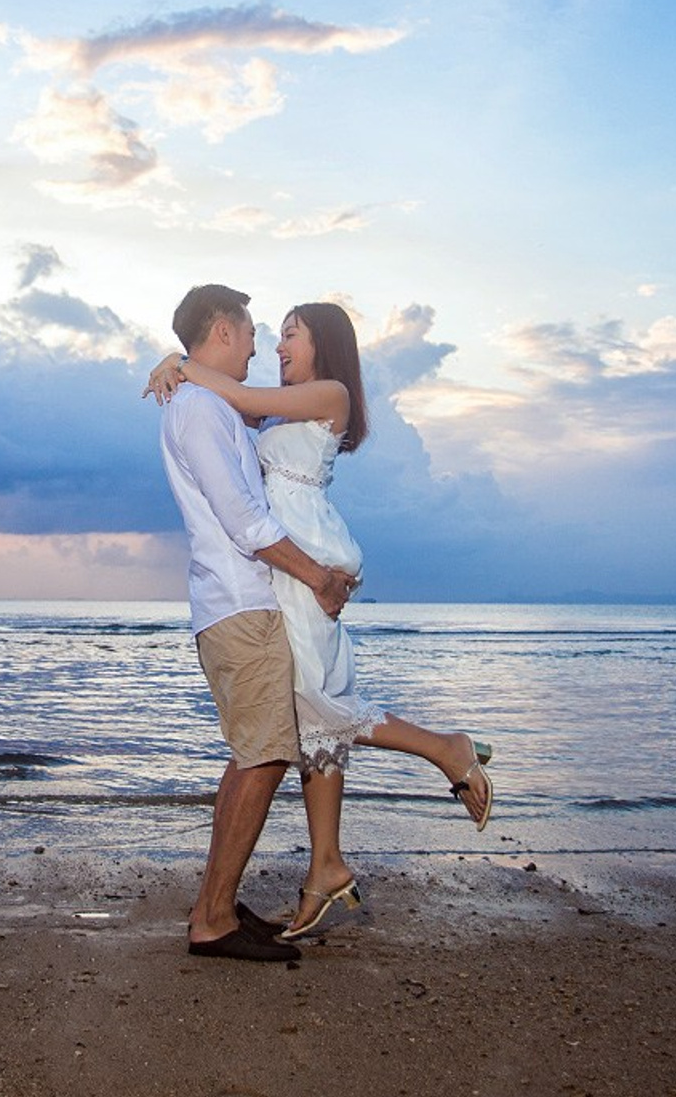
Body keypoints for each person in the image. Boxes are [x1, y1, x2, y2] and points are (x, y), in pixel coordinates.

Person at [146, 301, 493, 939]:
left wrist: (181, 363)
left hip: (305, 566)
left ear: (323, 344)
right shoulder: (277, 406)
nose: (274, 346)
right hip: (287, 569)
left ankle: (447, 748)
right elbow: (240, 419)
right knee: (314, 718)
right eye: (269, 334)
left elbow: (238, 399)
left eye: (290, 335)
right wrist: (185, 365)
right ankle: (326, 865)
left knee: (319, 706)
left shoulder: (327, 393)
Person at [154, 284, 358, 961]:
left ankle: (216, 905)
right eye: (249, 333)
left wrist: (176, 362)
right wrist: (316, 576)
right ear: (221, 332)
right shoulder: (203, 410)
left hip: (240, 604)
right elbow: (246, 521)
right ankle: (212, 919)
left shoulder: (212, 405)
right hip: (240, 603)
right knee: (267, 757)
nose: (258, 345)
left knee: (253, 756)